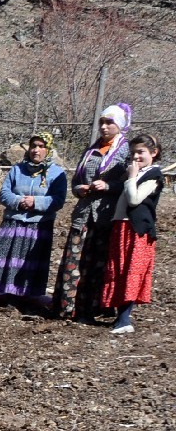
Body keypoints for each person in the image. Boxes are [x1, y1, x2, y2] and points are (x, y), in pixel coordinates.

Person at [0, 132, 67, 310]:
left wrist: (36, 202)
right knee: (1, 260)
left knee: (28, 264)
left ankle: (23, 297)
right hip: (13, 221)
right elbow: (4, 194)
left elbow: (58, 200)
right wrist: (19, 201)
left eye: (41, 146)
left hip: (39, 225)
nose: (36, 150)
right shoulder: (17, 170)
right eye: (33, 146)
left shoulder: (57, 174)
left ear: (48, 149)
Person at [53, 104, 132, 320]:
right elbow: (77, 180)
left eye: (110, 123)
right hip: (83, 214)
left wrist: (108, 187)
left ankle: (93, 308)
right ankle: (67, 307)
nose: (104, 127)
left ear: (120, 125)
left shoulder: (126, 151)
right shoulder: (91, 150)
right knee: (75, 260)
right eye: (102, 123)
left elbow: (129, 182)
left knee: (97, 262)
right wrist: (79, 189)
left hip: (106, 215)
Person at [101, 133, 164, 334]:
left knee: (131, 271)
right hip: (122, 226)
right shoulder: (136, 172)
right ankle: (120, 316)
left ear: (154, 153)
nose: (136, 157)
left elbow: (135, 199)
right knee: (119, 269)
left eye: (141, 152)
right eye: (133, 153)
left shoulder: (153, 176)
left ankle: (125, 319)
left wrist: (131, 177)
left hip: (137, 230)